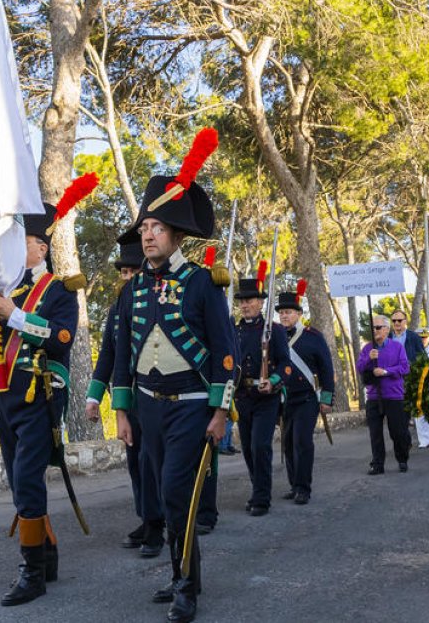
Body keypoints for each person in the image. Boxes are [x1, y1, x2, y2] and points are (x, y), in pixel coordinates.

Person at [109, 170, 237, 623]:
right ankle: (186, 574)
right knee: (162, 499)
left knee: (176, 493)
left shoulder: (203, 283)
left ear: (177, 235)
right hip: (147, 408)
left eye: (156, 228)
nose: (147, 236)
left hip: (190, 406)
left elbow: (225, 353)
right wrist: (122, 411)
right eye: (143, 228)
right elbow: (122, 354)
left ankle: (185, 586)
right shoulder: (134, 289)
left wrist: (220, 409)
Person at [0, 200, 82, 606]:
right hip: (3, 397)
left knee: (28, 479)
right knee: (18, 481)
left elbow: (62, 338)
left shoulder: (59, 291)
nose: (10, 251)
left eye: (20, 242)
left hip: (39, 396)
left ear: (40, 248)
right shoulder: (3, 289)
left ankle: (32, 573)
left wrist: (13, 315)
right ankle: (46, 555)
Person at [85, 241, 165, 557]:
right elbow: (108, 353)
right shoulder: (118, 304)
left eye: (133, 270)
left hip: (156, 394)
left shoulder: (158, 298)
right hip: (128, 398)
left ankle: (159, 526)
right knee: (135, 463)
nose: (128, 276)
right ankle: (146, 518)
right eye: (124, 271)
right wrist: (94, 396)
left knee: (151, 461)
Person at [233, 274, 291, 516]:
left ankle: (262, 498)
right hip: (242, 397)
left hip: (266, 398)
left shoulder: (273, 330)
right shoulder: (233, 331)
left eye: (250, 300)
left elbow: (286, 365)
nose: (245, 305)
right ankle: (258, 488)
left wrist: (274, 381)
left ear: (260, 302)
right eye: (242, 301)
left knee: (260, 446)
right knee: (247, 448)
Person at [275, 281, 334, 505]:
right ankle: (294, 484)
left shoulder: (313, 336)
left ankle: (303, 488)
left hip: (307, 398)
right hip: (285, 399)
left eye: (288, 312)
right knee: (288, 444)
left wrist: (327, 399)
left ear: (299, 314)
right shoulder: (275, 336)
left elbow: (327, 368)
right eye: (282, 313)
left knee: (302, 442)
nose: (284, 316)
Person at [357, 314, 411, 474]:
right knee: (375, 433)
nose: (375, 330)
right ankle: (377, 464)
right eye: (372, 327)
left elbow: (405, 367)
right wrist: (368, 358)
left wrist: (386, 371)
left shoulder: (397, 347)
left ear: (387, 330)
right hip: (374, 397)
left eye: (378, 327)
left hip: (394, 396)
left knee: (398, 432)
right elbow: (359, 367)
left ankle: (402, 459)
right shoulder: (367, 349)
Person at [414, 328, 429, 448]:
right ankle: (423, 440)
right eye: (421, 337)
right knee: (418, 414)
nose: (423, 340)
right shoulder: (413, 353)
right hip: (417, 387)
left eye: (425, 337)